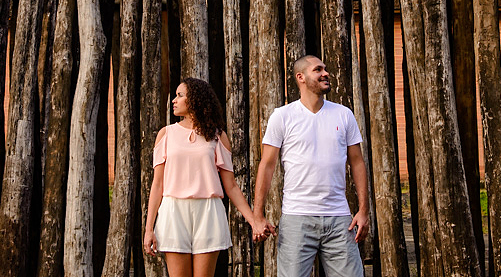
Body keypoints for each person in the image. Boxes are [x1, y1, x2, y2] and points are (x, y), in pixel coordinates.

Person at [253, 55, 369, 277]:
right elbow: (266, 166)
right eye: (318, 70)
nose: (326, 73)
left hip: (339, 218)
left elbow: (357, 162)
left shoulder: (344, 114)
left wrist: (363, 211)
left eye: (325, 69)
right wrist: (258, 215)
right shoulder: (282, 116)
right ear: (301, 77)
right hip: (297, 218)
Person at [143, 77, 267, 276]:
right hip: (173, 211)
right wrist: (149, 229)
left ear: (195, 100)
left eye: (180, 95)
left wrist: (253, 221)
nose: (174, 100)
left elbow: (231, 186)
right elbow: (157, 185)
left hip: (208, 212)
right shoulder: (165, 134)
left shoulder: (217, 136)